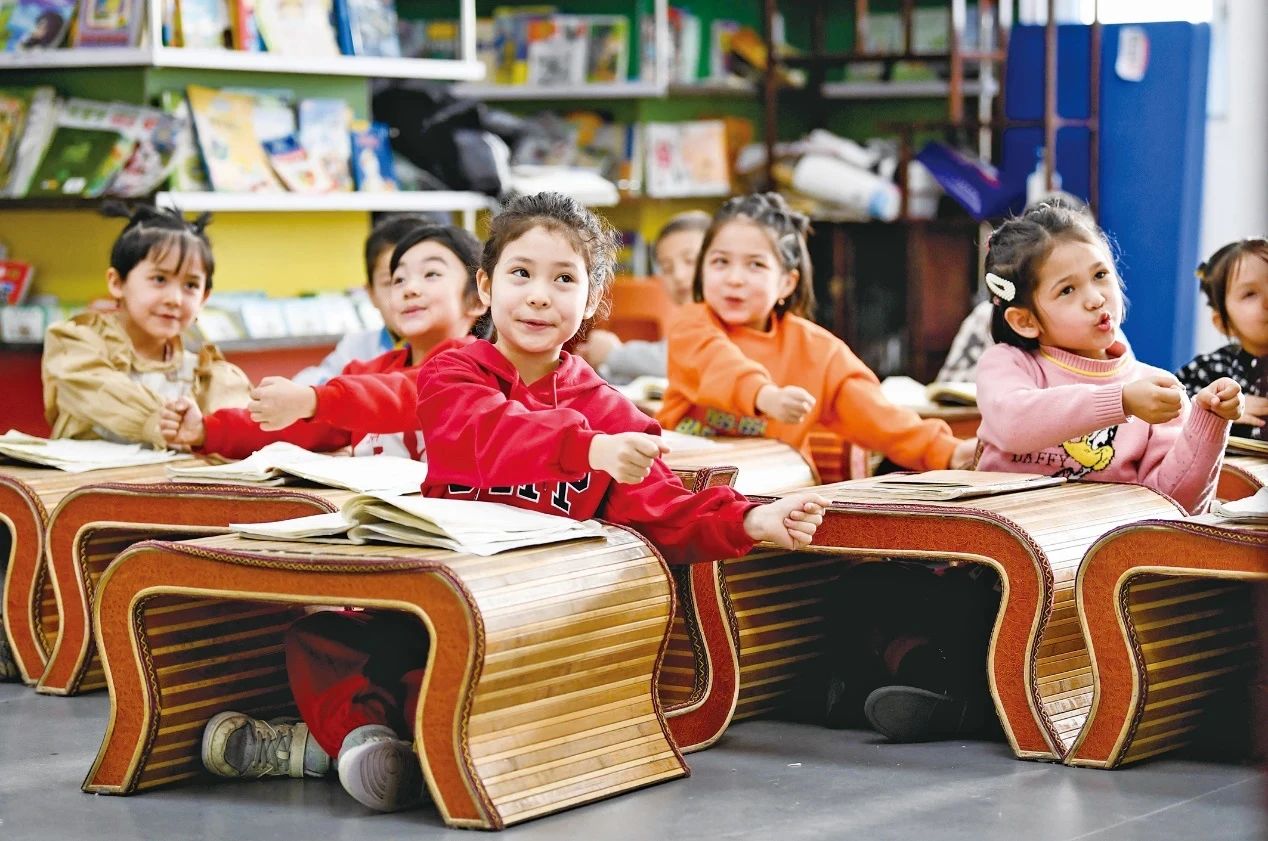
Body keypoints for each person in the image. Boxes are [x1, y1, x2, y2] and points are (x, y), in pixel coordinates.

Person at [197, 192, 829, 813]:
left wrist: (753, 517)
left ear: (591, 301)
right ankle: (367, 745)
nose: (539, 295)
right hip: (432, 604)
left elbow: (663, 510)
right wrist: (588, 449)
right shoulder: (450, 372)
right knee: (322, 638)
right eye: (520, 273)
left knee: (446, 683)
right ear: (486, 287)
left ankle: (334, 747)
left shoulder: (612, 412)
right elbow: (485, 434)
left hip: (531, 629)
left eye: (564, 279)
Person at [658, 192, 976, 471]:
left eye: (756, 265)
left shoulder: (816, 350)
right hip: (689, 487)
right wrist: (764, 395)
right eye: (720, 262)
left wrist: (948, 451)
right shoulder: (691, 324)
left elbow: (877, 416)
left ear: (787, 283)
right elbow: (717, 363)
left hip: (771, 492)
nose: (734, 279)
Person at [976, 200, 1242, 515]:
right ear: (1025, 321)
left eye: (1100, 274)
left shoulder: (1155, 389)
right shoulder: (1007, 363)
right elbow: (1013, 424)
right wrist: (1121, 401)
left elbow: (1174, 506)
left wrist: (1209, 422)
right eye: (1067, 290)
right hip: (1003, 539)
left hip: (1100, 544)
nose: (1095, 298)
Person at [161, 224, 486, 459]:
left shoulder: (476, 366)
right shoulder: (366, 372)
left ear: (477, 298)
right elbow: (296, 428)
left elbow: (413, 391)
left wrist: (313, 399)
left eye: (431, 274)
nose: (409, 289)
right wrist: (207, 430)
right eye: (398, 279)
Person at [42, 205, 250, 450]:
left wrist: (210, 431)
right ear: (117, 283)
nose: (175, 299)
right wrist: (162, 420)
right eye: (159, 279)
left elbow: (236, 430)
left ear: (204, 297)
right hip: (84, 475)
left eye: (191, 286)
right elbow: (98, 391)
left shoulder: (205, 373)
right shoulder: (76, 345)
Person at [292, 215, 432, 386]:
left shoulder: (456, 351)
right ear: (371, 294)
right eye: (395, 281)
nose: (409, 291)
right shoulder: (356, 348)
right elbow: (313, 380)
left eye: (429, 275)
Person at [575, 209, 710, 383]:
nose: (678, 275)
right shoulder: (688, 319)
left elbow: (673, 360)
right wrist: (601, 368)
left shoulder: (725, 315)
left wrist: (613, 353)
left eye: (690, 261)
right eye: (667, 268)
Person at [1175, 237, 1268, 440]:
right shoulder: (1210, 369)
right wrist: (1213, 410)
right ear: (1224, 324)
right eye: (1250, 294)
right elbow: (1170, 414)